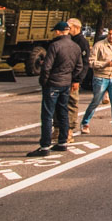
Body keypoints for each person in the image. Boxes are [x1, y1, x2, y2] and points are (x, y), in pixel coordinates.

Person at [28, 21, 84, 157]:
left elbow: (46, 67)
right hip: (66, 83)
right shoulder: (75, 46)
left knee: (47, 115)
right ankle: (62, 142)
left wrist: (44, 81)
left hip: (53, 83)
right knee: (63, 112)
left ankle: (45, 145)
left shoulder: (55, 45)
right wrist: (71, 77)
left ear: (58, 31)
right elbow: (79, 67)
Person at [80, 24, 112, 137]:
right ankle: (85, 123)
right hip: (101, 77)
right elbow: (91, 62)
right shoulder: (99, 45)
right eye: (110, 34)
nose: (111, 36)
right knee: (95, 102)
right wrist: (105, 64)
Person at [66, 18, 91, 132]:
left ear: (76, 28)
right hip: (64, 77)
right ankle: (59, 129)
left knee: (71, 104)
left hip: (74, 78)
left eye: (69, 27)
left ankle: (70, 130)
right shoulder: (68, 40)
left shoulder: (82, 42)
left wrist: (78, 80)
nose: (68, 30)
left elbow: (85, 63)